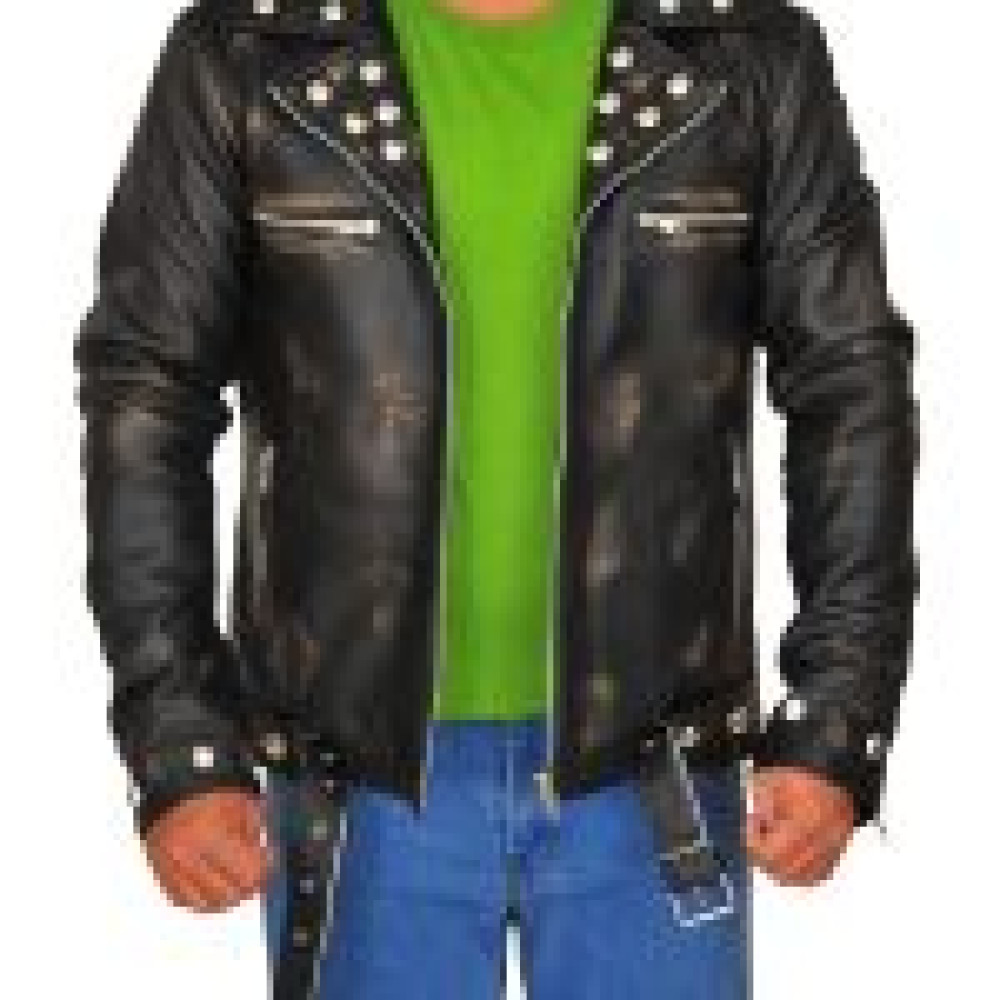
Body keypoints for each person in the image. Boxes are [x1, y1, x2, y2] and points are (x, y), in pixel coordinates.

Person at [74, 0, 918, 997]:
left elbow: (849, 387)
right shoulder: (248, 54)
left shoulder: (745, 53)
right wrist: (177, 737)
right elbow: (147, 393)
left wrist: (836, 717)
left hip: (657, 770)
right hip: (359, 781)